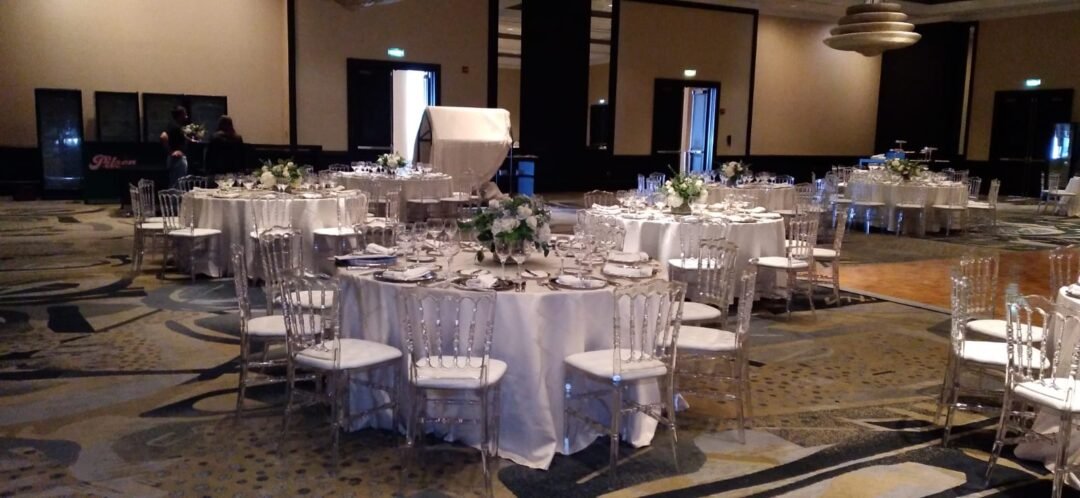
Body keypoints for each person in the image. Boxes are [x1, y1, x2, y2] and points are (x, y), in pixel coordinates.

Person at [160, 106, 189, 187]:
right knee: (177, 185)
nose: (186, 116)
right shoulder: (174, 126)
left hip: (177, 159)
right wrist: (171, 152)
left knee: (177, 184)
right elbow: (163, 136)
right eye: (185, 114)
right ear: (180, 115)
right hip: (177, 160)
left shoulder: (176, 125)